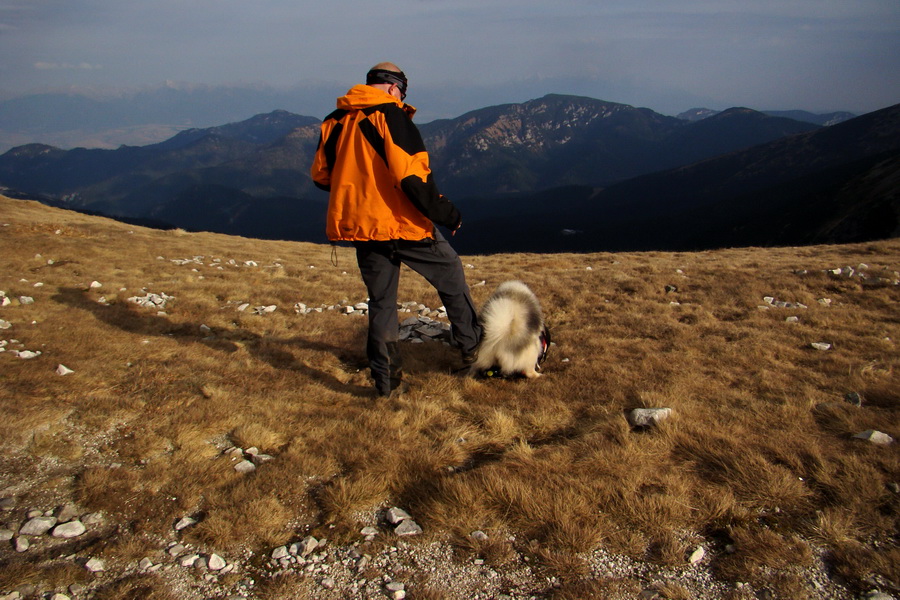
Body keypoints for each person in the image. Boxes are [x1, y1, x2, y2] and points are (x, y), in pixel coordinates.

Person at [310, 62, 481, 397]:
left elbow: (321, 176)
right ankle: (474, 351)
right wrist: (448, 214)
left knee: (382, 302)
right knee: (451, 276)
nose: (402, 98)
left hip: (361, 228)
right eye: (403, 92)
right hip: (402, 225)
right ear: (393, 88)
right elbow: (412, 178)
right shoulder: (392, 115)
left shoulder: (335, 120)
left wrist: (357, 186)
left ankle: (387, 383)